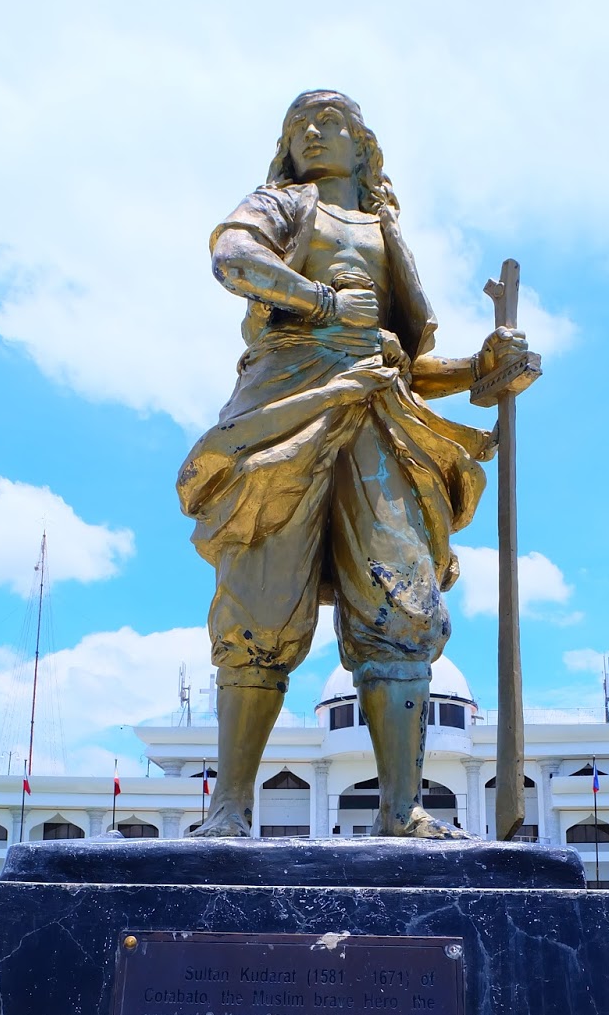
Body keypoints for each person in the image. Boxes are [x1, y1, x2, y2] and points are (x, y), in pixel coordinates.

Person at [177, 89, 532, 838]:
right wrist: (320, 301)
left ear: (363, 145)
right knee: (258, 606)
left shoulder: (384, 231)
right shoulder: (280, 206)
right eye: (298, 124)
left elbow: (403, 362)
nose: (312, 131)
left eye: (330, 120)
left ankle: (401, 810)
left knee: (400, 606)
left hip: (379, 414)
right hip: (286, 412)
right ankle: (230, 808)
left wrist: (483, 369)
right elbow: (233, 257)